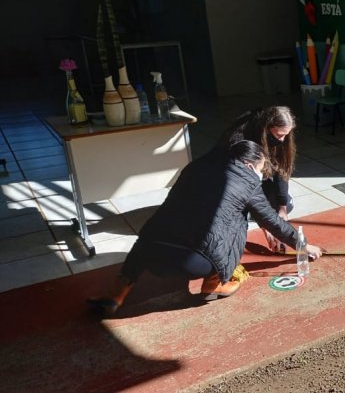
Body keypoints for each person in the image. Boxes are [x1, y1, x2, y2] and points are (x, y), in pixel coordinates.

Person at [87, 140, 324, 315]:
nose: (261, 175)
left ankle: (117, 294)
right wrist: (304, 246)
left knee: (157, 229)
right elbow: (272, 221)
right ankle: (215, 281)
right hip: (195, 261)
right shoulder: (249, 181)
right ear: (250, 166)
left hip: (151, 252)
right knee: (237, 218)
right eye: (261, 170)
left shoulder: (195, 168)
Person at [219, 106, 298, 251]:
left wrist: (282, 208)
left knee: (286, 202)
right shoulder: (240, 141)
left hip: (251, 174)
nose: (283, 140)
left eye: (286, 135)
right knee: (238, 213)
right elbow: (249, 191)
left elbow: (280, 169)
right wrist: (266, 228)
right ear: (267, 129)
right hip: (229, 182)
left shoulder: (278, 139)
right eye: (279, 135)